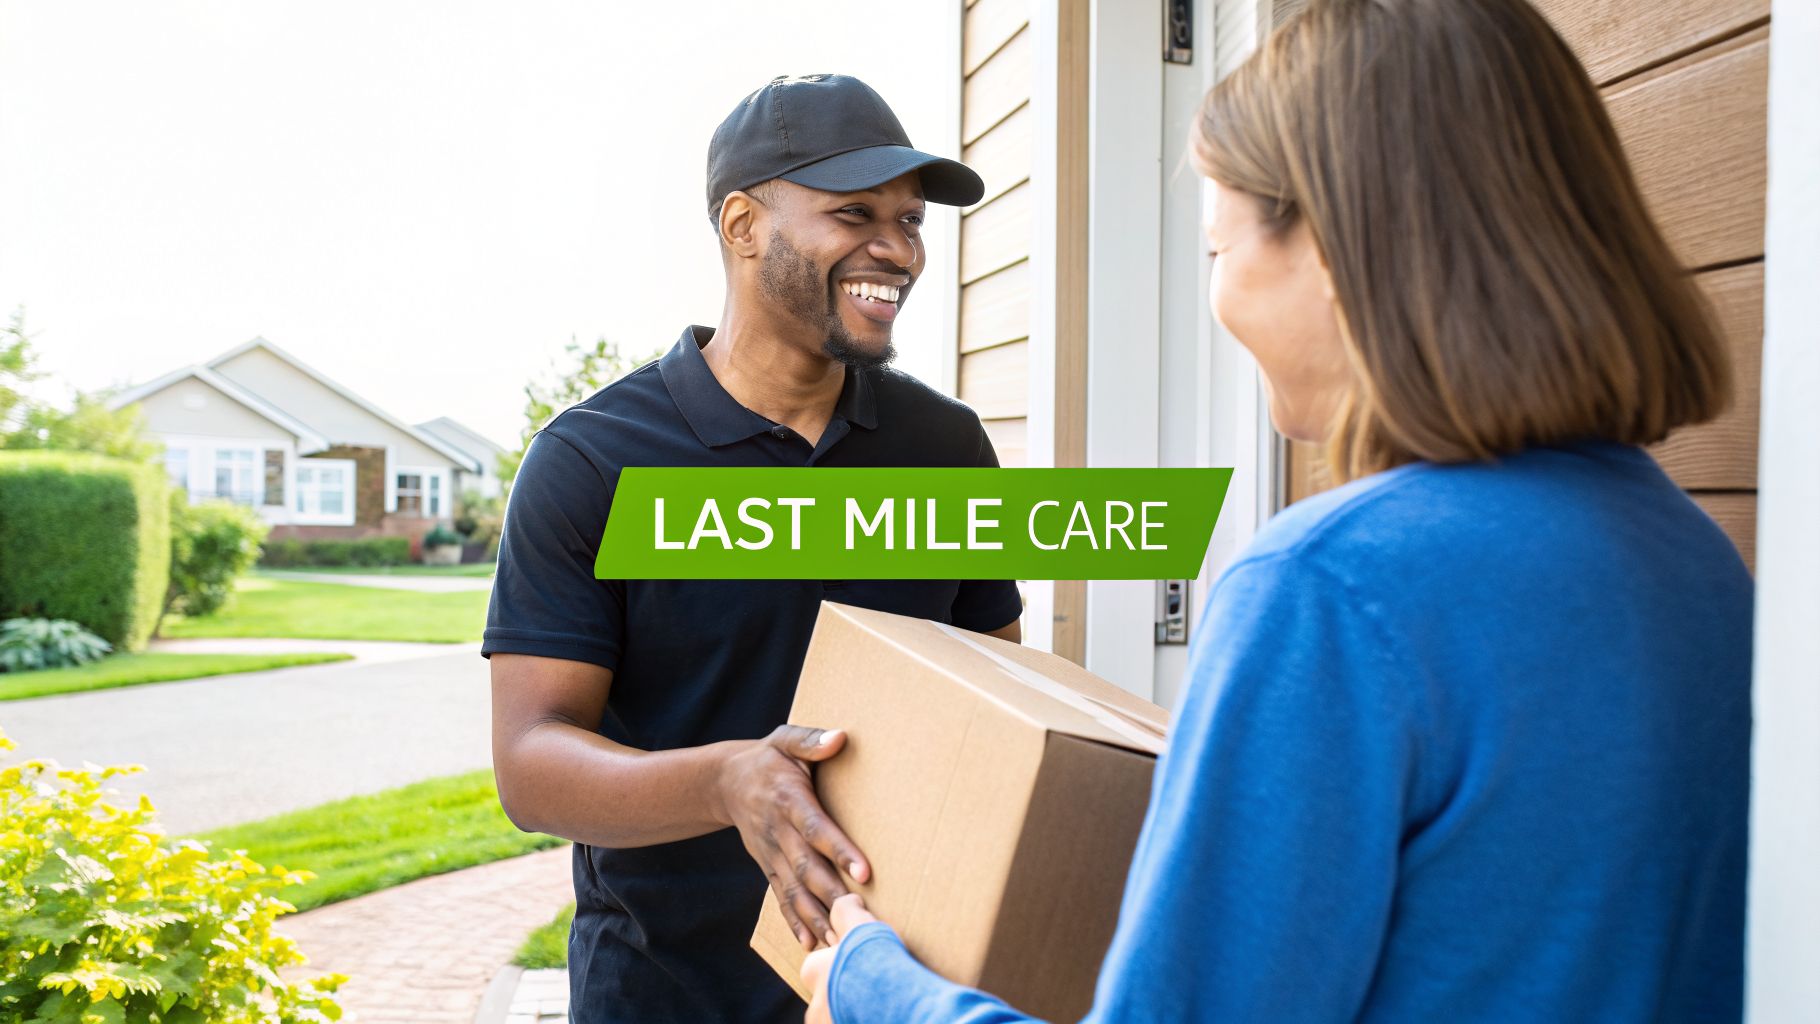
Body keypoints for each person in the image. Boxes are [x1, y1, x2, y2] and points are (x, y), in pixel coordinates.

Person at [801, 0, 1752, 1020]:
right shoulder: (1695, 561)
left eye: (1216, 251)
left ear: (1339, 249)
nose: (1217, 301)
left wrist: (869, 981)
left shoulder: (1330, 588)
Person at [484, 74, 1024, 1024]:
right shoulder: (592, 462)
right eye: (854, 212)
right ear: (742, 225)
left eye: (910, 221)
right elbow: (531, 764)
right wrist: (729, 781)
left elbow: (1000, 700)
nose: (896, 250)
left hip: (894, 986)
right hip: (663, 992)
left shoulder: (945, 449)